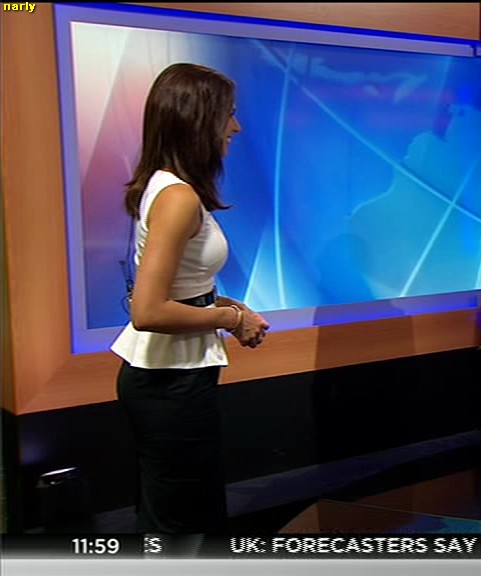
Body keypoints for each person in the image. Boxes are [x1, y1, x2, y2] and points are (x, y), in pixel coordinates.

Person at [110, 62, 270, 534]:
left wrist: (233, 308)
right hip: (168, 384)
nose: (236, 127)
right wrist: (229, 320)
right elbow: (148, 310)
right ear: (198, 120)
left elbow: (184, 286)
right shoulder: (177, 197)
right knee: (184, 521)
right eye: (228, 114)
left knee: (179, 510)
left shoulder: (169, 188)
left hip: (174, 378)